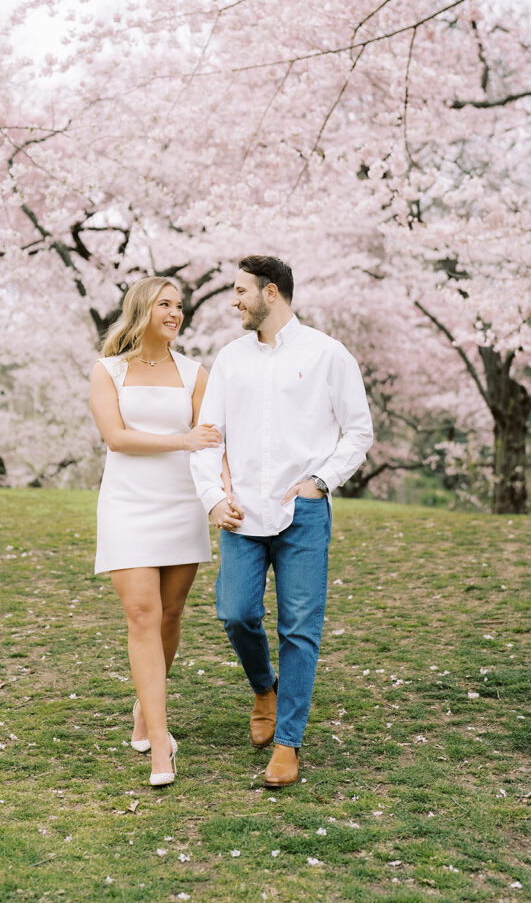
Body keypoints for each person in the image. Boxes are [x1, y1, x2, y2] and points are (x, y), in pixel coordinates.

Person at [190, 255, 373, 787]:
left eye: (241, 291)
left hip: (303, 514)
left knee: (300, 629)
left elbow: (357, 432)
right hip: (242, 512)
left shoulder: (328, 355)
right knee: (235, 613)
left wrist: (321, 481)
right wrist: (211, 497)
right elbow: (209, 435)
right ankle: (263, 686)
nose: (234, 300)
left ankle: (288, 744)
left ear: (271, 293)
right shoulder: (230, 359)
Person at [89, 276, 222, 786]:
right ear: (142, 308)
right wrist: (182, 441)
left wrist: (218, 496)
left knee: (169, 615)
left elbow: (210, 441)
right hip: (127, 504)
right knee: (142, 615)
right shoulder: (109, 371)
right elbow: (116, 438)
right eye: (165, 304)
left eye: (180, 305)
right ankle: (160, 749)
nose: (176, 312)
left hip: (181, 504)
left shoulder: (195, 373)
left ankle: (147, 710)